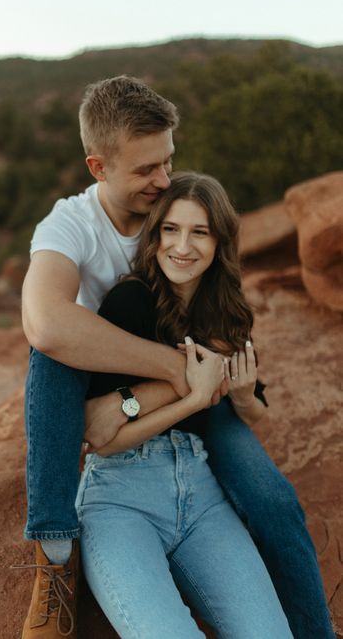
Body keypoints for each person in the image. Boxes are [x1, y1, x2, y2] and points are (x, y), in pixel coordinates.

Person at [19, 76, 335, 639]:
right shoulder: (71, 226)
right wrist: (177, 371)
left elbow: (228, 359)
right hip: (129, 388)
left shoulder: (178, 211)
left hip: (197, 408)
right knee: (50, 351)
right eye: (145, 170)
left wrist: (221, 385)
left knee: (273, 500)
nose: (162, 181)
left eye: (168, 162)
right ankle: (54, 549)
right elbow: (45, 324)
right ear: (98, 168)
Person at [76, 171, 293, 638]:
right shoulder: (130, 301)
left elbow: (258, 410)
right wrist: (192, 395)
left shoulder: (227, 310)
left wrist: (239, 394)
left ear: (219, 242)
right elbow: (100, 439)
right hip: (120, 498)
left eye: (199, 232)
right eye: (171, 230)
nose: (183, 246)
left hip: (202, 497)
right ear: (154, 237)